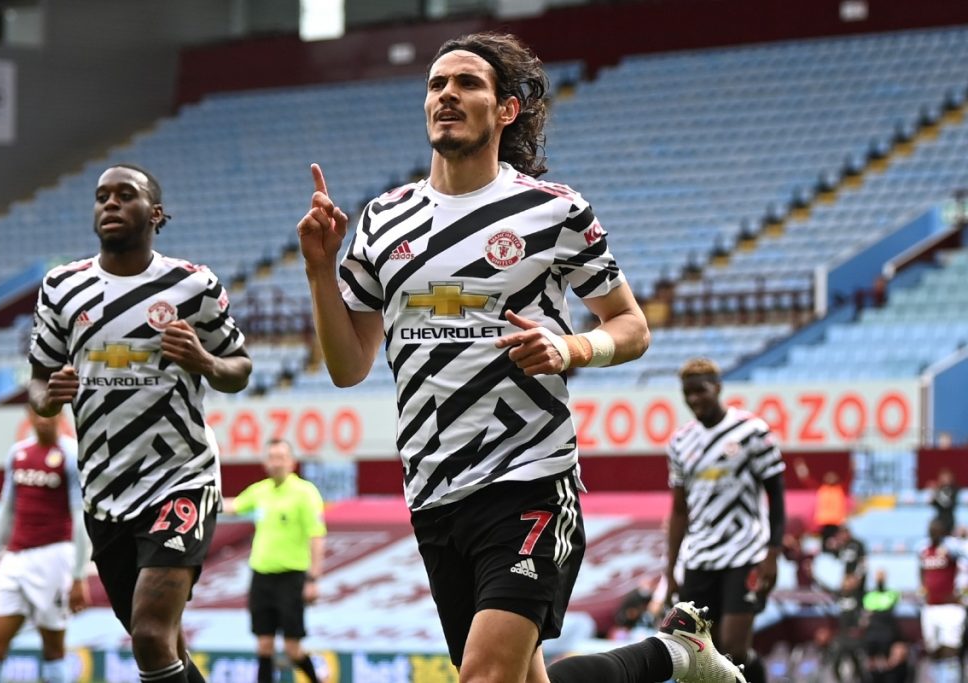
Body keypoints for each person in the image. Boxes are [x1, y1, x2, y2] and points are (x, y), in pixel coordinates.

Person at [297, 31, 745, 683]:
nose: (447, 94)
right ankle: (673, 655)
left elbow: (631, 326)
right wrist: (319, 271)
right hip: (432, 487)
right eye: (436, 84)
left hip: (528, 474)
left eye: (467, 83)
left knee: (484, 675)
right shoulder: (381, 221)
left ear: (506, 109)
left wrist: (570, 346)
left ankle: (672, 655)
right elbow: (348, 366)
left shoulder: (552, 211)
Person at [27, 163, 252, 683]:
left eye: (125, 195)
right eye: (102, 196)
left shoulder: (192, 285)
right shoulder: (62, 288)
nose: (110, 203)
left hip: (181, 479)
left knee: (150, 635)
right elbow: (39, 383)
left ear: (155, 214)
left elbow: (239, 368)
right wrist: (48, 399)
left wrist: (205, 362)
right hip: (104, 492)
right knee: (160, 643)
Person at [664, 358, 786, 683]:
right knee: (702, 653)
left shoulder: (752, 432)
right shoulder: (680, 442)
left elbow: (776, 496)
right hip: (699, 557)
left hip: (744, 553)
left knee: (733, 650)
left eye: (700, 391)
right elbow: (679, 510)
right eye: (687, 393)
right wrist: (670, 570)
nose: (694, 399)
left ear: (717, 387)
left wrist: (772, 554)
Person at [0, 408, 90, 683]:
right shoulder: (18, 453)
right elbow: (6, 509)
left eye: (50, 415)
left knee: (53, 648)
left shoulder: (71, 455)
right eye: (38, 414)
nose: (44, 420)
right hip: (15, 558)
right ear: (30, 417)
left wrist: (78, 575)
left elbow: (80, 517)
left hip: (54, 556)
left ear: (60, 418)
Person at [224, 440, 326, 683]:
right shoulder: (260, 491)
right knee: (264, 645)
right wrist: (201, 498)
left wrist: (313, 579)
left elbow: (317, 535)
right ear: (265, 462)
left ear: (292, 462)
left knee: (292, 648)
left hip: (291, 577)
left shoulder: (305, 493)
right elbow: (233, 506)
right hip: (261, 576)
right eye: (272, 457)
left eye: (281, 457)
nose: (276, 463)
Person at [918, 516, 966, 683]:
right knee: (933, 649)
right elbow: (921, 572)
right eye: (931, 530)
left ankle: (951, 680)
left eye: (937, 530)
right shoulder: (924, 550)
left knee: (951, 648)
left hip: (950, 607)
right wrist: (923, 589)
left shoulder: (952, 548)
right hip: (930, 607)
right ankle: (938, 679)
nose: (933, 532)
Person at [793, 457, 849, 553]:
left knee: (837, 544)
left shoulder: (840, 489)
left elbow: (850, 477)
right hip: (823, 522)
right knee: (824, 544)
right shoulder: (822, 489)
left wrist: (854, 465)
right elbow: (807, 480)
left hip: (836, 522)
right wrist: (801, 468)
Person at [930, 468, 960, 535]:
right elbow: (933, 503)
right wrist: (934, 492)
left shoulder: (954, 490)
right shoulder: (939, 490)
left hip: (949, 519)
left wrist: (937, 494)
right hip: (939, 518)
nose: (944, 480)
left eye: (945, 477)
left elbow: (947, 503)